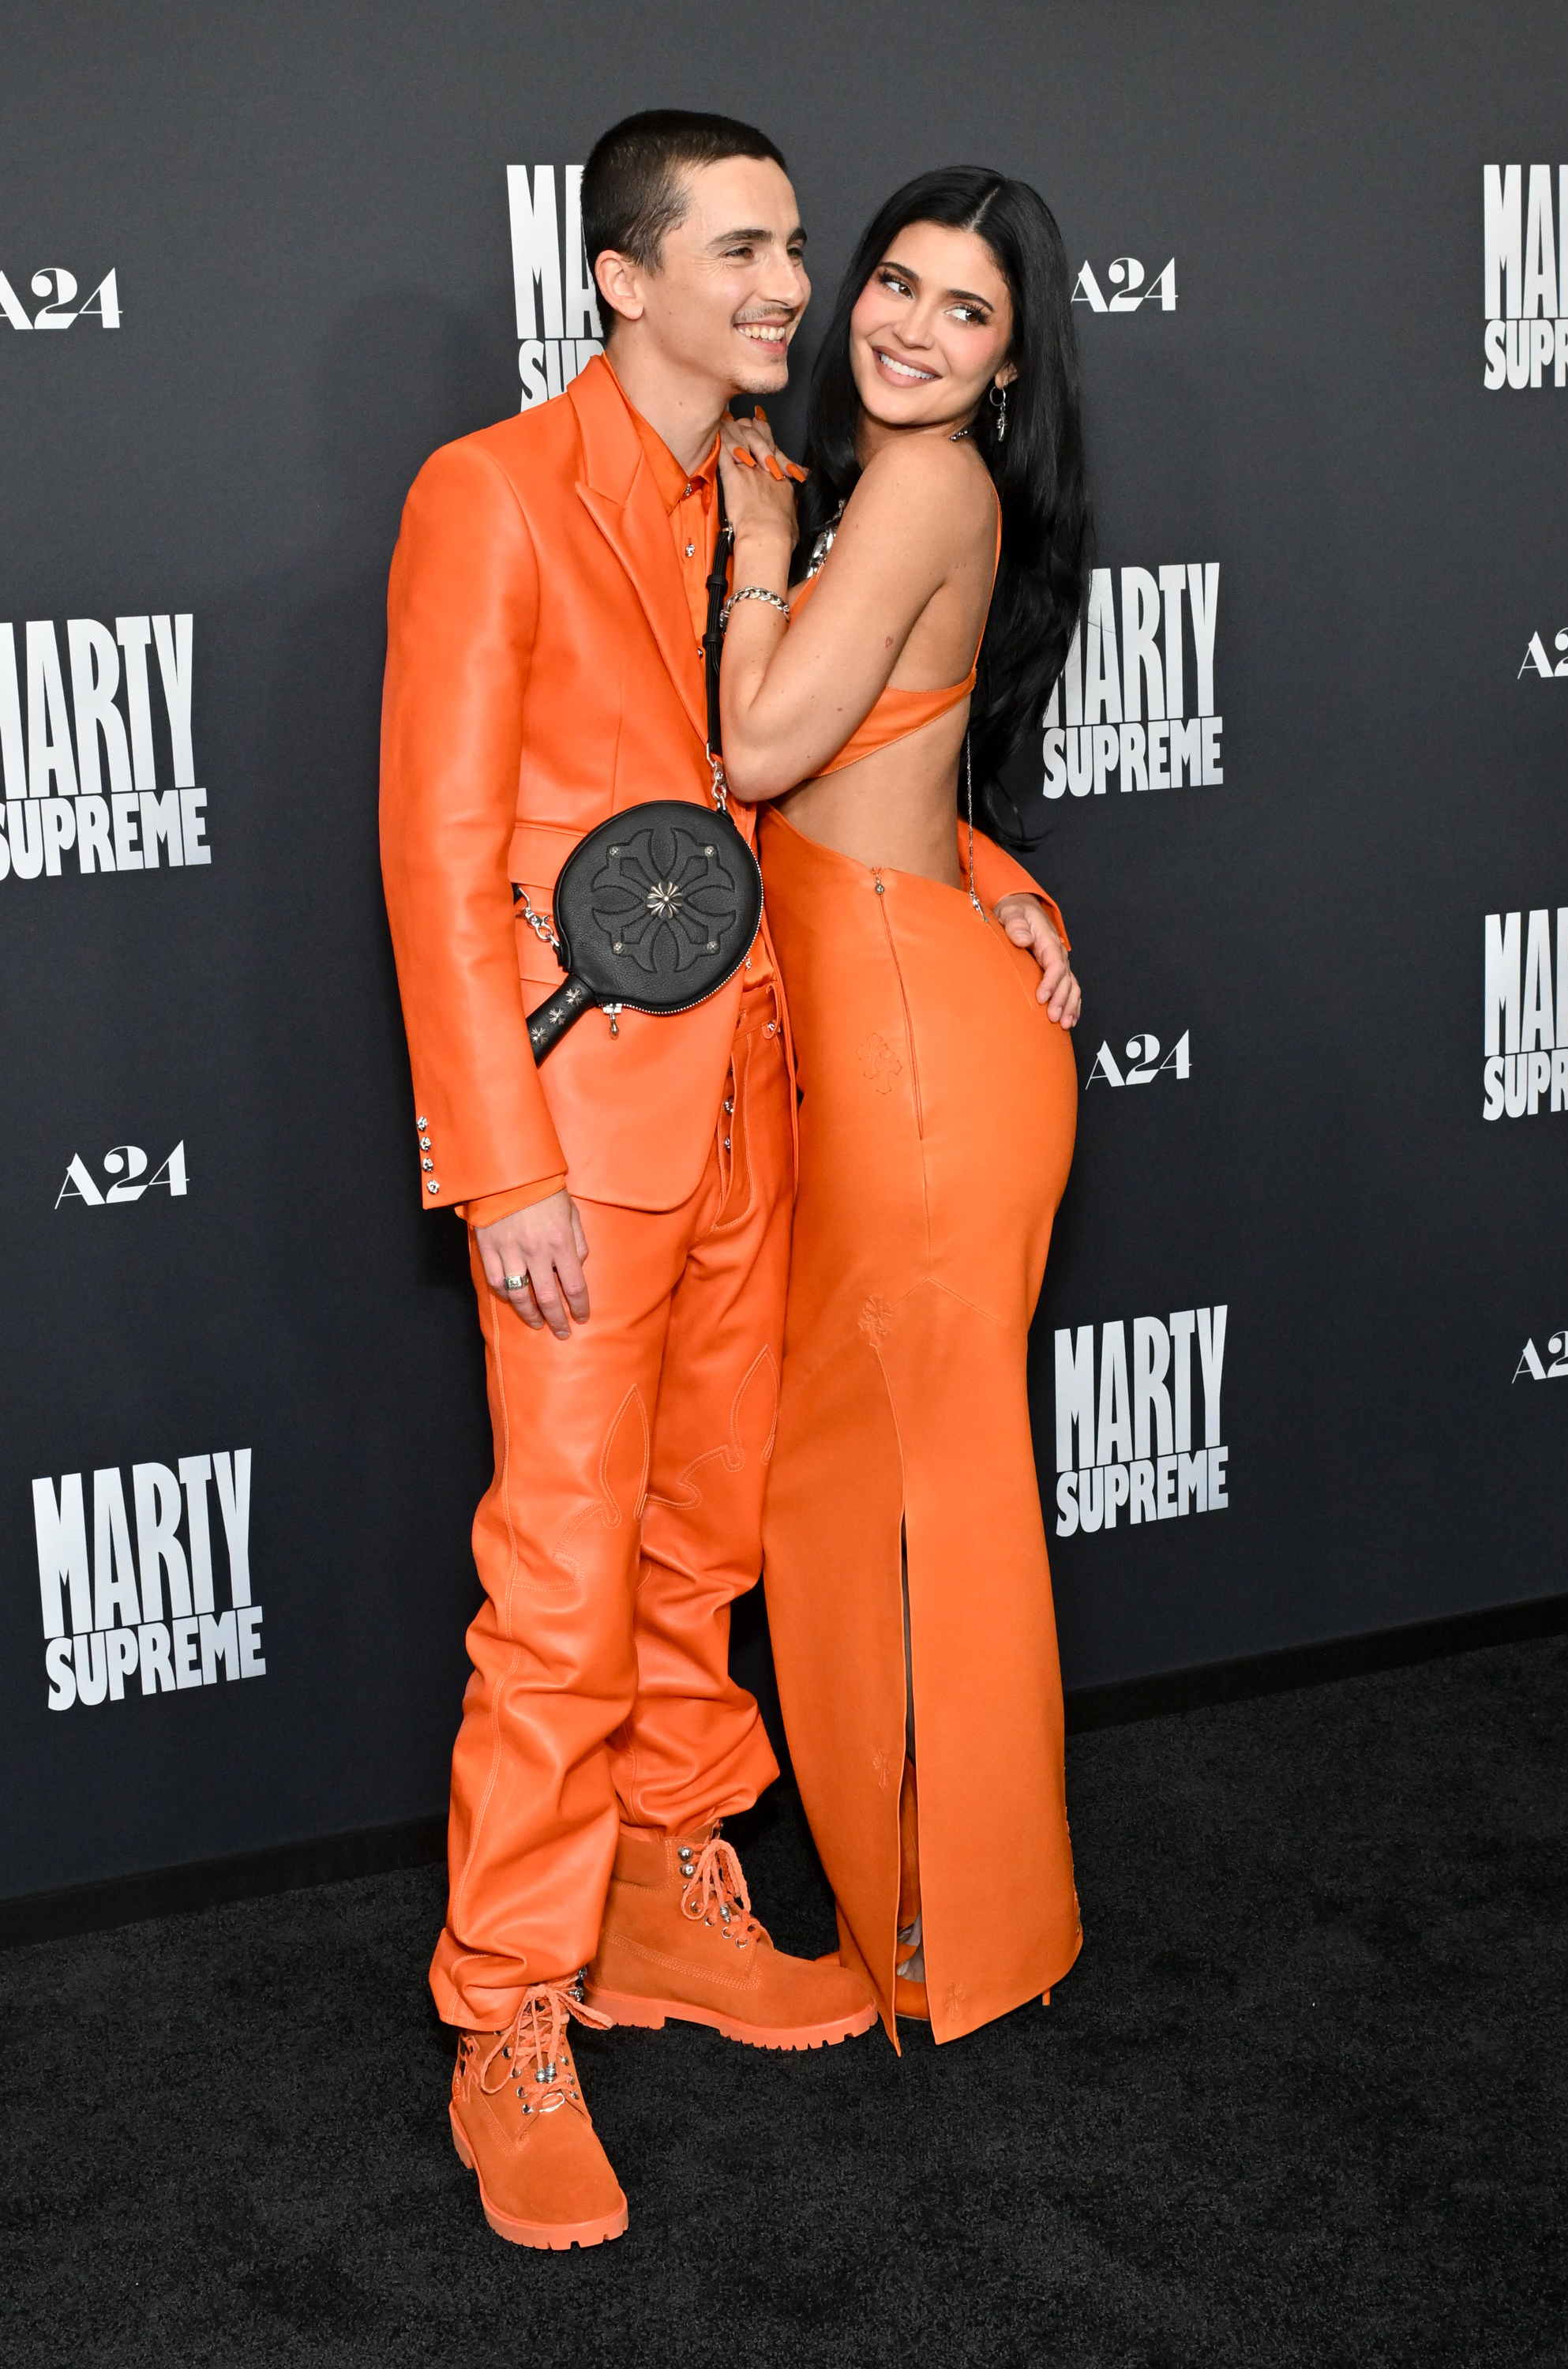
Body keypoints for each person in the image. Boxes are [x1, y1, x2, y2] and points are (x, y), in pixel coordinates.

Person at [381, 115, 1078, 2246]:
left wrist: (990, 870)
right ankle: (509, 2004)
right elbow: (433, 850)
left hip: (779, 1107)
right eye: (752, 248)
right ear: (624, 276)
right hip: (584, 1144)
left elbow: (804, 779)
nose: (795, 287)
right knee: (569, 1580)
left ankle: (668, 1891)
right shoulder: (493, 495)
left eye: (801, 250)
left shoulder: (761, 497)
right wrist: (499, 1166)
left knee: (699, 1560)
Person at [715, 167, 1091, 2049]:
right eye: (894, 282)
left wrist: (752, 543)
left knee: (906, 1485)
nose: (909, 326)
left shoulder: (920, 484)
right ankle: (940, 1908)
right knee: (866, 1480)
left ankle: (952, 1926)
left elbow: (763, 748)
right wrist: (1008, 874)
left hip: (912, 1048)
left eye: (965, 312)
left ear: (1009, 372)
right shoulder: (892, 489)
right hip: (889, 1000)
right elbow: (901, 760)